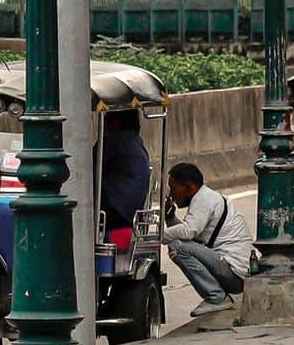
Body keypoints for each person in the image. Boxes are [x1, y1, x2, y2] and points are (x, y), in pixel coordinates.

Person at [163, 162, 254, 316]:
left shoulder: (204, 200)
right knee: (178, 243)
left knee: (177, 248)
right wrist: (171, 218)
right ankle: (217, 296)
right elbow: (190, 235)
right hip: (232, 270)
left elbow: (187, 232)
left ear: (190, 187)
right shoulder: (204, 197)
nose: (171, 194)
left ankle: (216, 297)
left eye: (174, 188)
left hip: (235, 272)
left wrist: (157, 236)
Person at [99, 109, 152, 232]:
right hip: (132, 210)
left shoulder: (114, 141)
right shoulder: (136, 142)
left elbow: (88, 166)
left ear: (115, 123)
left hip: (116, 209)